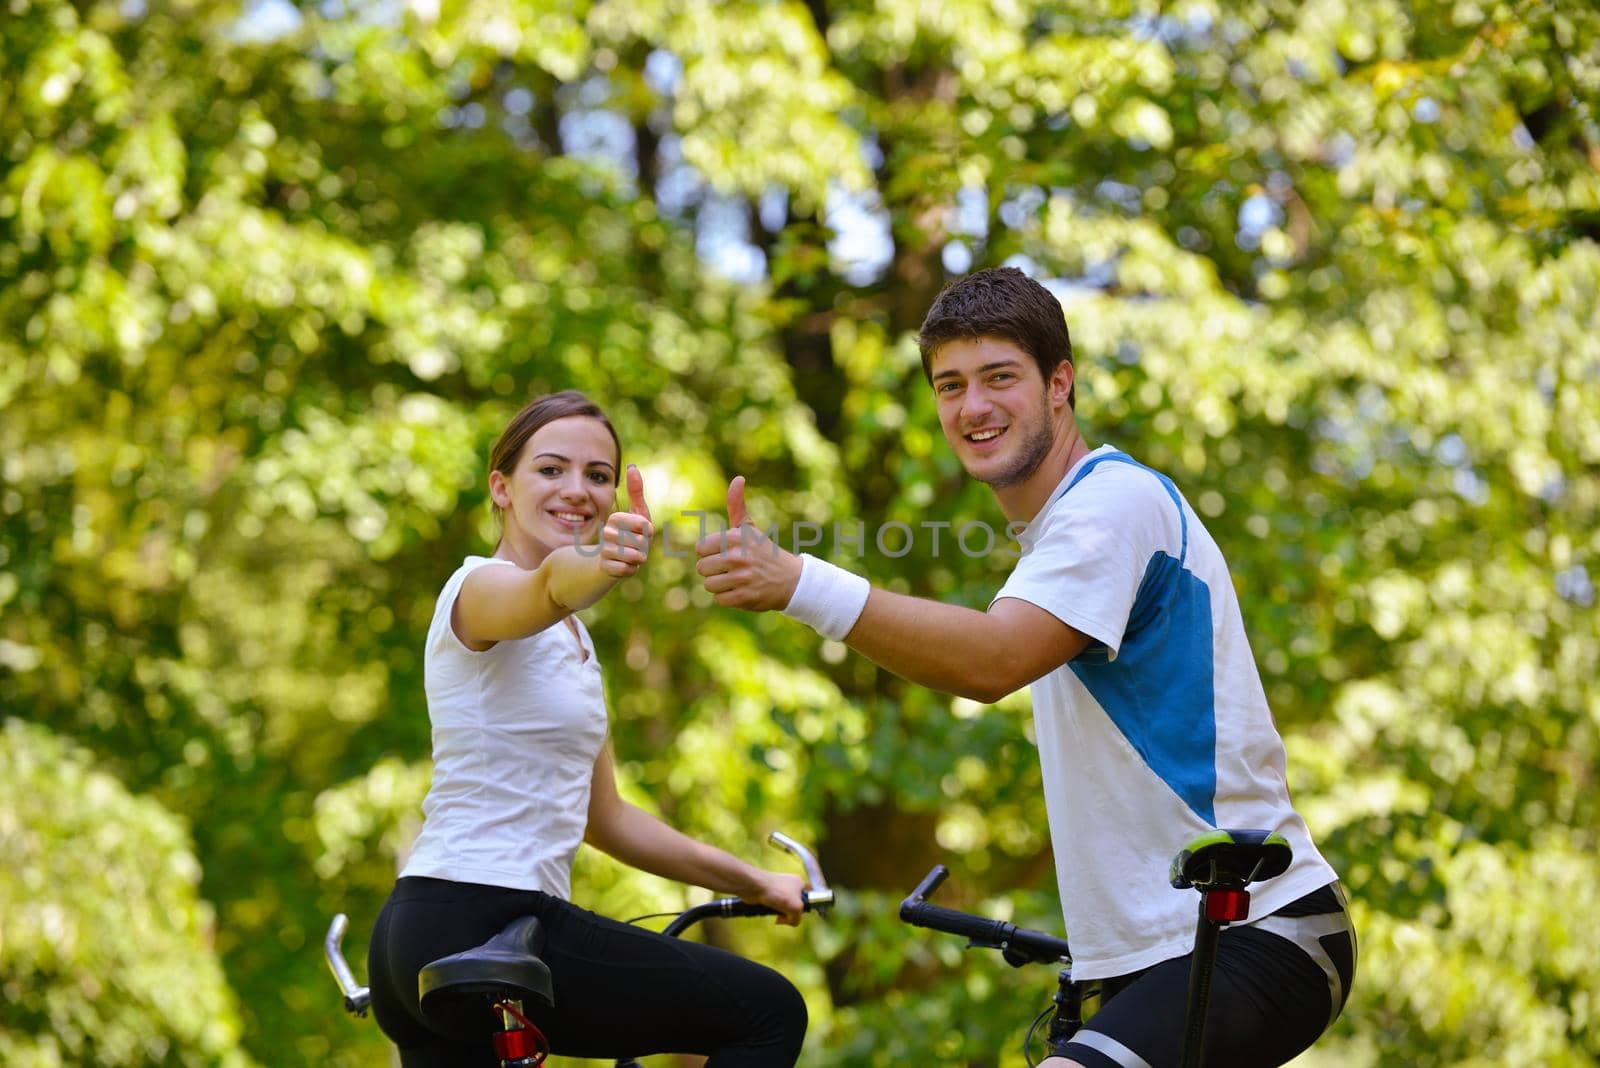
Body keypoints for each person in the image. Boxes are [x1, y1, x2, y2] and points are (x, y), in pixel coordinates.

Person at [694, 268, 1356, 1068]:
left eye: (999, 377)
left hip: (1258, 928)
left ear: (1060, 384)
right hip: (1154, 957)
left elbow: (993, 660)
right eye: (950, 385)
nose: (972, 407)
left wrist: (799, 583)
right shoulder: (1057, 535)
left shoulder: (1110, 505)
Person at [368, 390, 810, 1067]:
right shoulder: (478, 590)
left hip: (429, 933)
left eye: (598, 476)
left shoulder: (571, 645)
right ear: (501, 488)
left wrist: (752, 880)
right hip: (482, 915)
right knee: (767, 1011)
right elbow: (547, 584)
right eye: (551, 470)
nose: (577, 489)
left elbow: (607, 820)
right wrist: (605, 560)